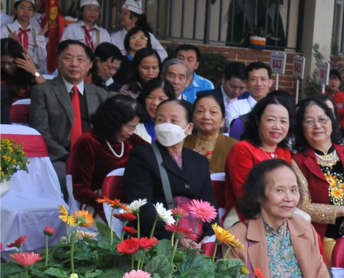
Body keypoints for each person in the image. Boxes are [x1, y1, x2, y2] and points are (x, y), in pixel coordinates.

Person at [122, 98, 216, 241]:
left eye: (174, 121)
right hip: (155, 237)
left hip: (195, 238)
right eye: (161, 120)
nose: (166, 126)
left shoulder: (199, 161)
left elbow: (209, 204)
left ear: (189, 128)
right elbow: (142, 205)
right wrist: (175, 237)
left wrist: (209, 236)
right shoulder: (142, 155)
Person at [290, 95, 344, 246]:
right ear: (301, 127)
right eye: (309, 121)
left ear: (332, 122)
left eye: (322, 120)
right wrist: (343, 211)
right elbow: (303, 206)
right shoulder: (297, 162)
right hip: (324, 236)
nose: (317, 126)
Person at [28, 39, 110, 191]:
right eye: (68, 58)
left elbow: (108, 132)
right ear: (58, 61)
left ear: (89, 65)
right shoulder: (43, 91)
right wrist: (69, 157)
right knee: (64, 178)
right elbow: (40, 131)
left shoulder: (101, 95)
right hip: (59, 158)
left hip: (94, 157)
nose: (74, 64)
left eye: (80, 59)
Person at [66, 94, 140, 215]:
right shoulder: (89, 141)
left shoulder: (131, 139)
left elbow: (153, 154)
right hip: (98, 207)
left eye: (134, 128)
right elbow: (80, 189)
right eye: (130, 127)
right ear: (114, 122)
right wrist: (110, 205)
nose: (131, 132)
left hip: (130, 203)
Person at [226, 94, 294, 217]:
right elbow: (245, 197)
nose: (277, 126)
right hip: (246, 216)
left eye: (283, 121)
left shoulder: (285, 153)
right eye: (271, 120)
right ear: (257, 120)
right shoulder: (243, 149)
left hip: (280, 214)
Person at [183, 91, 237, 174]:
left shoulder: (234, 146)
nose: (206, 117)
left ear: (223, 121)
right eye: (200, 111)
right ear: (193, 117)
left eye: (213, 112)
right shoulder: (183, 142)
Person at [1, 0, 46, 74]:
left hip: (30, 73)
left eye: (30, 9)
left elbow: (42, 57)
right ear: (15, 9)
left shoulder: (36, 32)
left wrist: (40, 36)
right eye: (22, 7)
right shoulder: (6, 29)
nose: (26, 11)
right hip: (10, 72)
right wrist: (8, 42)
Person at [226, 62, 274, 134]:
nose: (258, 84)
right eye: (253, 79)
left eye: (263, 79)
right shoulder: (234, 107)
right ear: (246, 83)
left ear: (270, 82)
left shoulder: (277, 107)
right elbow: (236, 131)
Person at [0, 37, 41, 101]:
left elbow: (48, 92)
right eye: (2, 63)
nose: (6, 67)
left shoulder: (29, 72)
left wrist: (34, 70)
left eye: (11, 63)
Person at [325, 68, 344, 137]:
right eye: (330, 79)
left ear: (340, 83)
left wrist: (340, 125)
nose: (333, 82)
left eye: (336, 80)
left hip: (339, 130)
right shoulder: (321, 95)